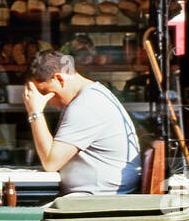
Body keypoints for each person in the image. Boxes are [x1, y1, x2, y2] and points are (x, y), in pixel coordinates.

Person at [23, 49, 141, 195]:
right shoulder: (90, 95)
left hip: (99, 200)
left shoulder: (85, 105)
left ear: (59, 79)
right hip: (91, 196)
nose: (48, 102)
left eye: (45, 93)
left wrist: (35, 112)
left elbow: (50, 163)